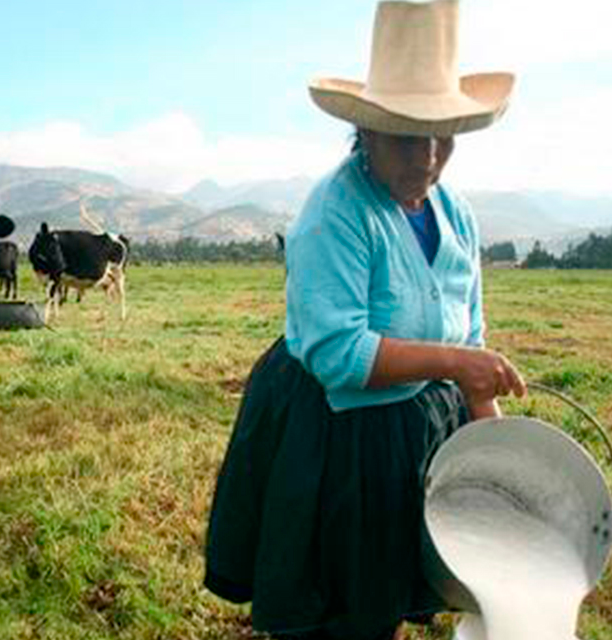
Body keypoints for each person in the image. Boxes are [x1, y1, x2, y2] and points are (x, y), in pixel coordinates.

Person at [203, 2, 527, 639]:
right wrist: (454, 363)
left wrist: (502, 455)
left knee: (391, 590)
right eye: (408, 136)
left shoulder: (455, 214)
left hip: (418, 430)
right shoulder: (336, 212)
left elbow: (471, 337)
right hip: (337, 437)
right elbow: (340, 353)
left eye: (443, 138)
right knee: (340, 605)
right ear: (366, 132)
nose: (429, 157)